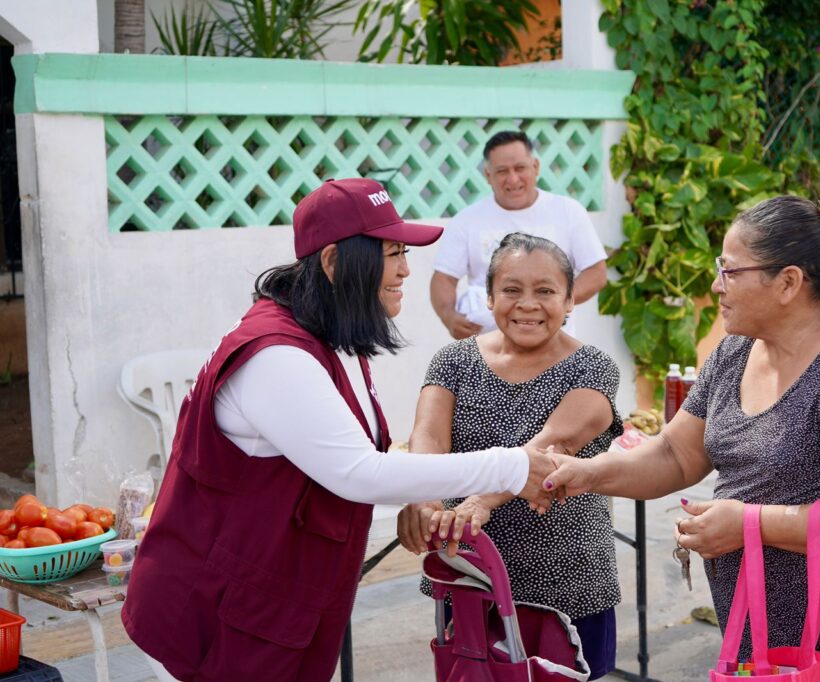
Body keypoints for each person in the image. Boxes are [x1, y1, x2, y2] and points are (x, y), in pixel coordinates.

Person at [121, 179, 560, 682]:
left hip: (272, 605)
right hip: (215, 613)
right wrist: (513, 465)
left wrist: (418, 494)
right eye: (391, 253)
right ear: (333, 263)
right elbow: (358, 472)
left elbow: (355, 453)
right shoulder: (276, 356)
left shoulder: (328, 338)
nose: (404, 269)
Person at [542, 195, 820, 682]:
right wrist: (587, 473)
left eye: (729, 270)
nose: (715, 284)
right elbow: (677, 455)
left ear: (788, 282)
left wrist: (748, 523)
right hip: (757, 646)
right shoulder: (735, 353)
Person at [399, 233, 623, 679]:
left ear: (569, 299)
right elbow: (427, 439)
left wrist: (477, 503)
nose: (528, 304)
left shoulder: (594, 367)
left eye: (545, 291)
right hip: (468, 577)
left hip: (567, 582)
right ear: (489, 297)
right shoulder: (453, 361)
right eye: (511, 290)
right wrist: (421, 500)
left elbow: (550, 449)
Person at [430, 130, 608, 339]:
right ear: (488, 175)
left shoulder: (568, 211)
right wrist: (448, 316)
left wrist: (555, 302)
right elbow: (443, 279)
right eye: (502, 171)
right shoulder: (467, 220)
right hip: (489, 349)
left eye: (520, 168)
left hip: (555, 349)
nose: (513, 179)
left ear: (536, 167)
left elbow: (596, 272)